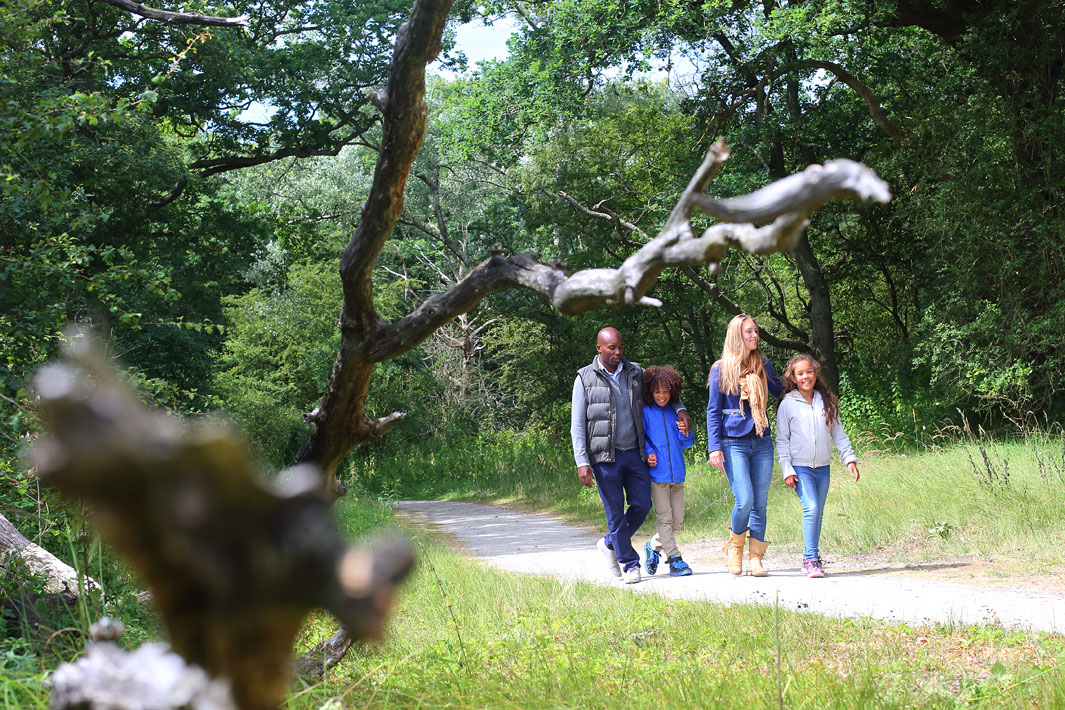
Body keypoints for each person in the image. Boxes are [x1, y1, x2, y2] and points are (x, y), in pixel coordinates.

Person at [571, 327, 692, 584]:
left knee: (642, 505)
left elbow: (664, 392)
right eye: (612, 348)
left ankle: (609, 544)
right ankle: (629, 564)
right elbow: (577, 425)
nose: (618, 352)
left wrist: (681, 410)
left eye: (620, 347)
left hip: (635, 453)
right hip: (604, 458)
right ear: (599, 349)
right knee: (614, 512)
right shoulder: (584, 378)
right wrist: (582, 462)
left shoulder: (636, 372)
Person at [706, 314, 782, 577]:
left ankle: (756, 559)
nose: (754, 336)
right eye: (748, 332)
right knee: (745, 500)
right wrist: (714, 447)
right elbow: (713, 411)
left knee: (760, 503)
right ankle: (736, 549)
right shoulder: (721, 368)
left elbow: (779, 392)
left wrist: (807, 387)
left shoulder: (763, 364)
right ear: (736, 336)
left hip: (761, 440)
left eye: (755, 332)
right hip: (732, 442)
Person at [774, 353, 860, 578]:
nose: (805, 377)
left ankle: (808, 557)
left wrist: (849, 458)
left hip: (823, 466)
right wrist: (787, 469)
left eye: (809, 372)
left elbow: (838, 433)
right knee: (811, 508)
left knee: (817, 512)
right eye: (800, 373)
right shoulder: (787, 404)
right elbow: (782, 441)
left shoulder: (826, 400)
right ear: (792, 378)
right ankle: (812, 559)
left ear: (815, 373)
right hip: (799, 467)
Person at [641, 365, 696, 577]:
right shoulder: (645, 412)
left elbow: (686, 443)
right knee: (665, 519)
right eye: (657, 392)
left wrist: (685, 431)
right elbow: (642, 438)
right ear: (649, 392)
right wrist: (649, 453)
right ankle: (674, 558)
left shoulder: (677, 412)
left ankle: (653, 545)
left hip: (678, 475)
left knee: (678, 520)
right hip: (657, 476)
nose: (662, 396)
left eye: (665, 391)